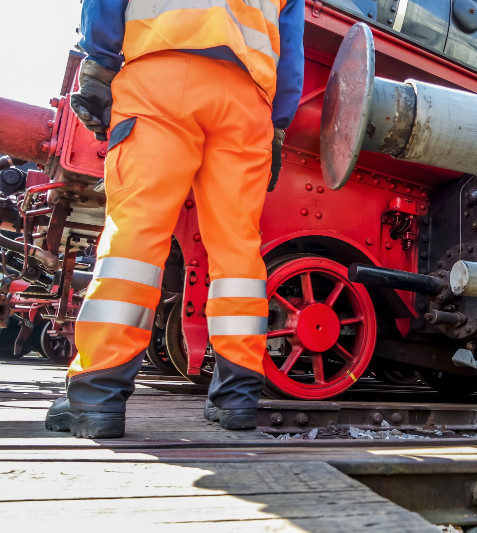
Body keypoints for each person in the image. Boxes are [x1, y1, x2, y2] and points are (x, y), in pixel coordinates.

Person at [45, 0, 305, 438]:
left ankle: (98, 397)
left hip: (160, 75)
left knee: (136, 236)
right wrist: (277, 124)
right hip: (248, 103)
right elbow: (292, 51)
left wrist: (100, 60)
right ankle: (237, 397)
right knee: (238, 251)